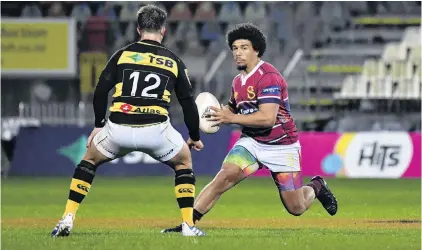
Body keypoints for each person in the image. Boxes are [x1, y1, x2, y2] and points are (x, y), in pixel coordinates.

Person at [161, 23, 338, 233]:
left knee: (296, 207)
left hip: (282, 145)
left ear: (256, 50)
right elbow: (231, 110)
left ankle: (316, 186)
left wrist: (230, 117)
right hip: (251, 142)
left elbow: (267, 118)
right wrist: (199, 129)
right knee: (224, 177)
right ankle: (187, 225)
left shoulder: (269, 77)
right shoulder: (237, 82)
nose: (238, 53)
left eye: (244, 47)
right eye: (235, 48)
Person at [51, 4, 205, 237]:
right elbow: (188, 104)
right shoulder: (173, 61)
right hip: (156, 131)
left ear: (138, 29)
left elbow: (100, 91)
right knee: (184, 162)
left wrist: (99, 125)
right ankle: (188, 226)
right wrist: (194, 136)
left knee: (89, 160)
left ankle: (67, 218)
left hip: (118, 129)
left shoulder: (122, 55)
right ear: (163, 31)